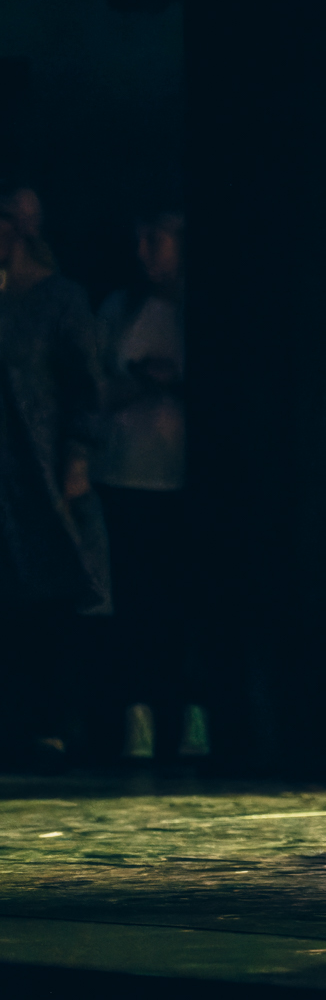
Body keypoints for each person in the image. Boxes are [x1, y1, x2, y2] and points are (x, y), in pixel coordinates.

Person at [0, 188, 109, 765]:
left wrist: (77, 459)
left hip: (38, 469)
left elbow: (86, 385)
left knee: (47, 591)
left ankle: (50, 724)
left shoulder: (60, 299)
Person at [94, 210, 202, 761]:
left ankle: (188, 715)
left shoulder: (197, 311)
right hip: (125, 476)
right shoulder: (120, 310)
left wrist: (175, 383)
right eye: (138, 239)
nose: (143, 251)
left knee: (183, 599)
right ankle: (136, 717)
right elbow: (92, 389)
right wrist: (141, 381)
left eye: (155, 239)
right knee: (132, 600)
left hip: (182, 480)